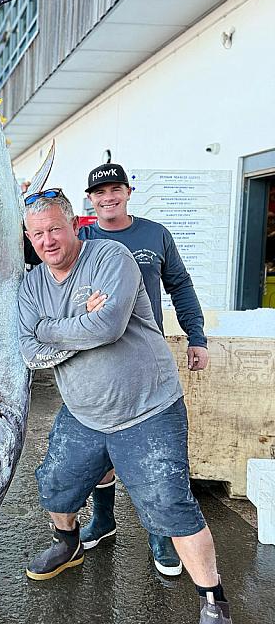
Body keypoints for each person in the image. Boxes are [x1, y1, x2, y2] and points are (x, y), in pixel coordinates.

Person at [18, 190, 233, 624]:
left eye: (55, 229)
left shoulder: (111, 257)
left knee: (170, 506)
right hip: (83, 413)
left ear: (75, 225)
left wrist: (53, 328)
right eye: (38, 234)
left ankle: (214, 605)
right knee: (55, 484)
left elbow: (109, 326)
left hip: (147, 408)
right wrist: (78, 323)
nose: (48, 240)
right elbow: (29, 350)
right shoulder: (31, 285)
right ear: (29, 238)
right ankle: (68, 542)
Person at [78, 159, 208, 576]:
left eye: (115, 189)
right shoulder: (82, 238)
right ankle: (103, 519)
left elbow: (180, 285)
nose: (108, 198)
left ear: (128, 192)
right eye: (99, 192)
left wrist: (196, 336)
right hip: (95, 360)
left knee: (153, 448)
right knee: (101, 446)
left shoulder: (155, 234)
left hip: (146, 359)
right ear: (90, 199)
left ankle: (160, 532)